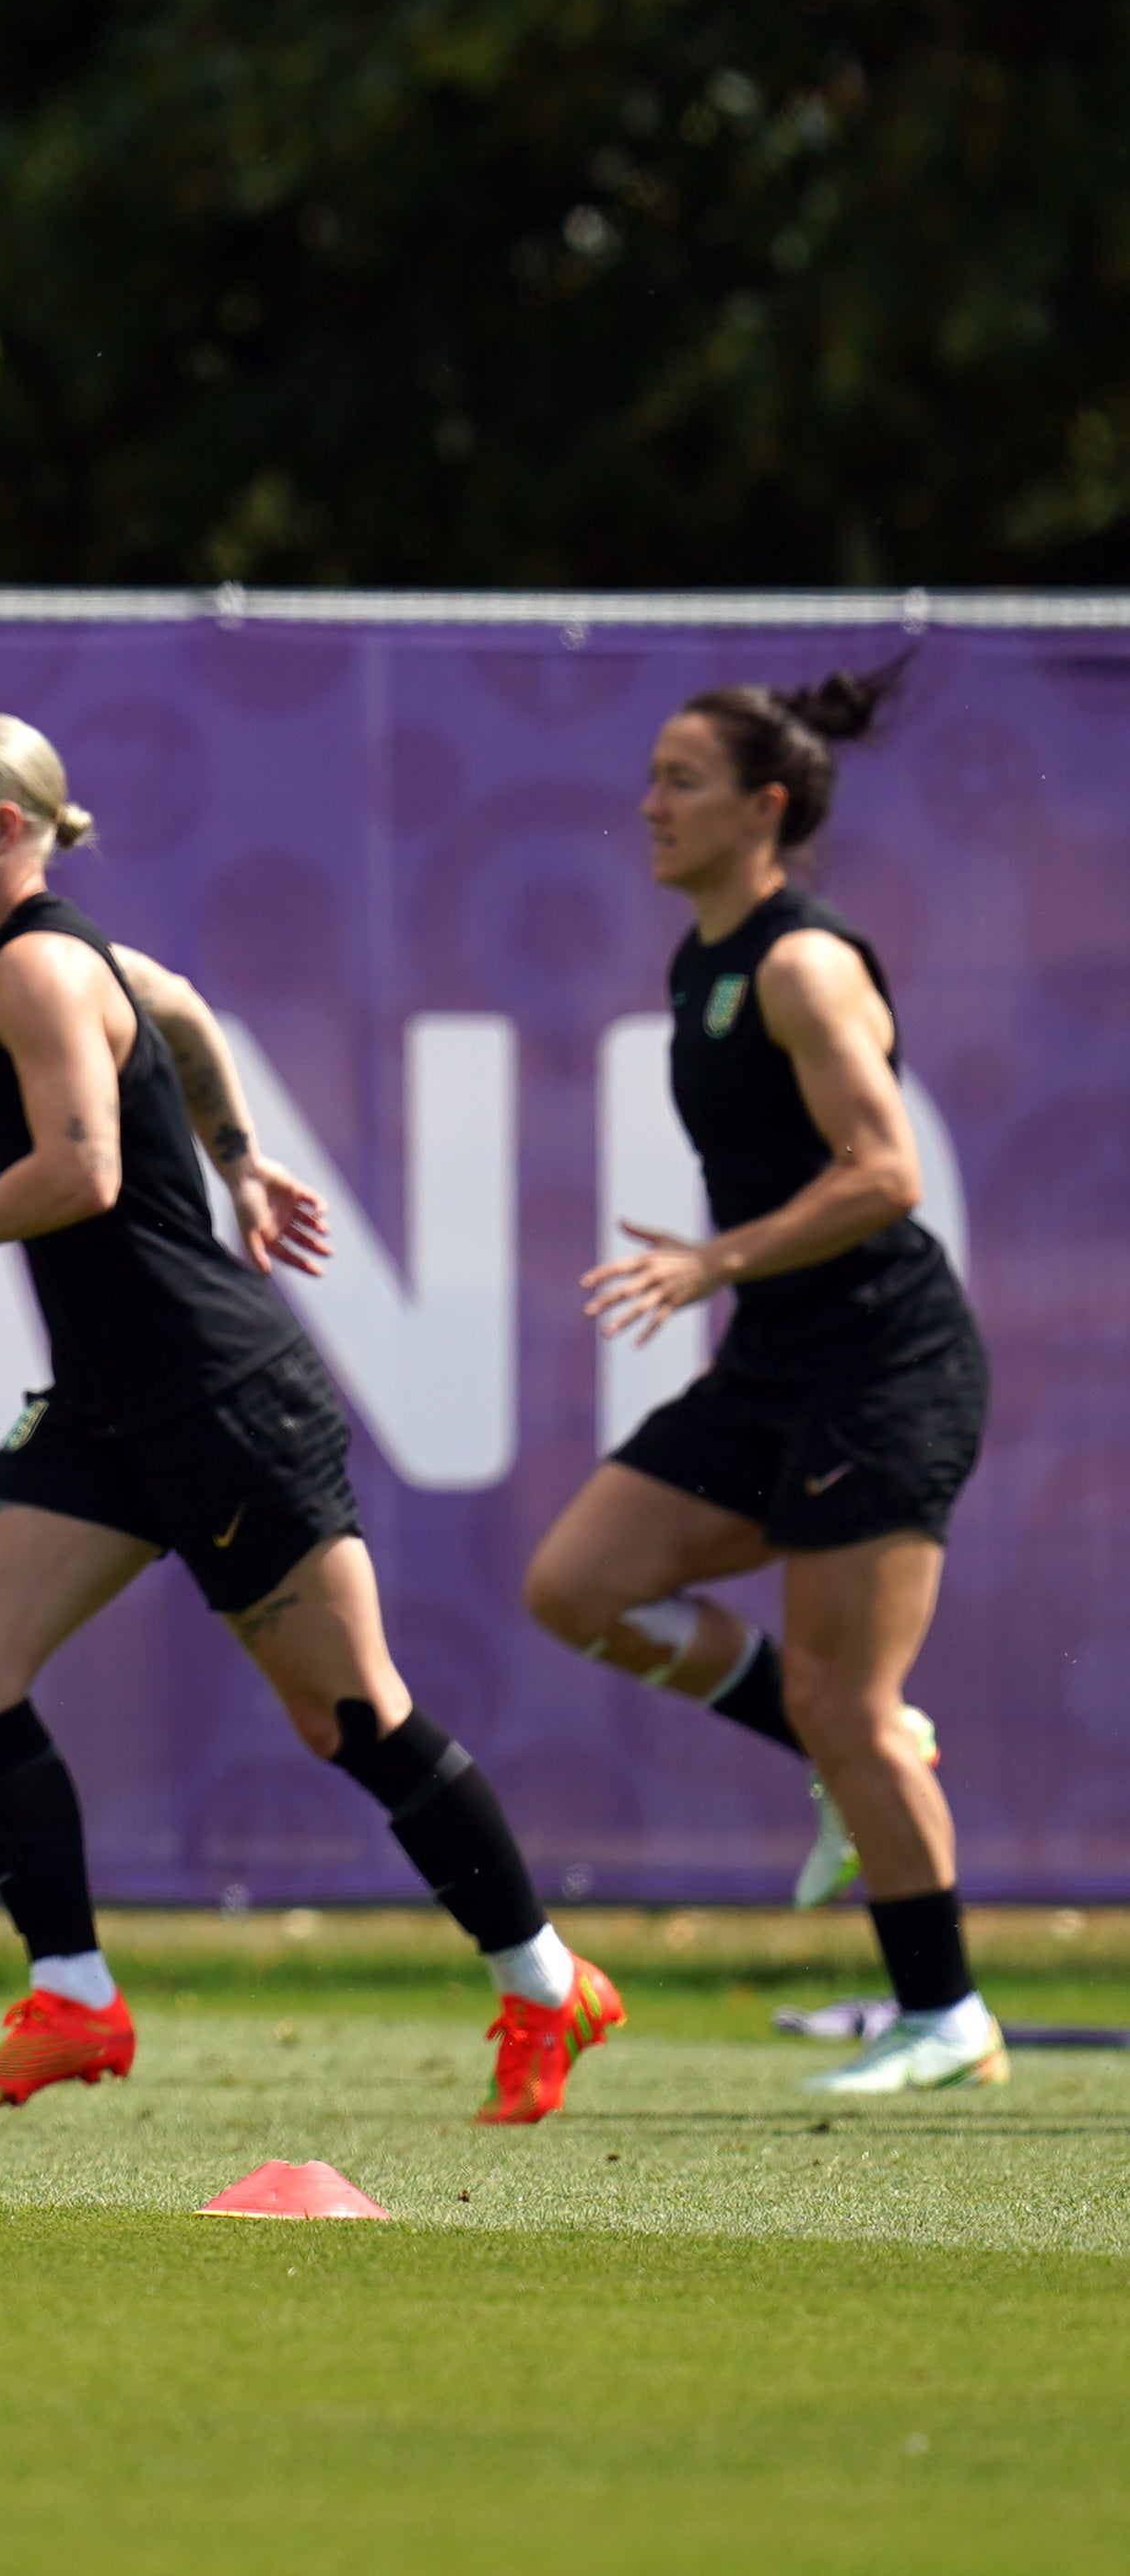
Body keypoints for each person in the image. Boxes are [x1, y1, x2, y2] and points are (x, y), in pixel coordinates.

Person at [0, 714, 618, 2125]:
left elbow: (80, 1172)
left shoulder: (39, 971)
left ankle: (548, 1984)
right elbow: (181, 1005)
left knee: (353, 1717)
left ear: (7, 831)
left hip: (220, 1398)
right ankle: (72, 2000)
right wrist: (243, 1160)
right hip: (109, 1404)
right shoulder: (45, 962)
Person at [517, 668, 997, 2095]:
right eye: (652, 776)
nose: (649, 805)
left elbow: (887, 1172)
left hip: (881, 1370)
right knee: (577, 1585)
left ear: (764, 806)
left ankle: (945, 2012)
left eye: (681, 780)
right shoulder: (701, 960)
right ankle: (848, 1740)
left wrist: (715, 1260)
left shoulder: (803, 963)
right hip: (776, 1362)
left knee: (853, 1712)